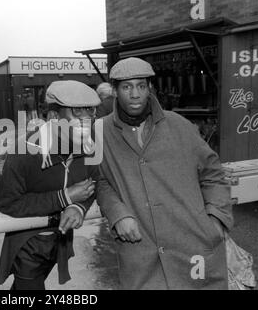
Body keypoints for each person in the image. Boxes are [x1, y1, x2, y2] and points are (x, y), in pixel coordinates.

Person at [97, 57, 234, 290]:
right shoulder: (99, 131)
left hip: (193, 246)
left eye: (141, 86)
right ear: (114, 91)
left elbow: (213, 173)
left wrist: (216, 220)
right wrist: (117, 213)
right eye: (127, 87)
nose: (135, 94)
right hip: (141, 253)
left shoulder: (179, 124)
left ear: (150, 88)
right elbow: (99, 180)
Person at [0, 80, 101, 290]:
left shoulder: (89, 145)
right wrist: (66, 197)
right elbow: (8, 202)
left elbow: (93, 182)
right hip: (26, 243)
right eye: (77, 114)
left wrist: (77, 206)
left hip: (59, 240)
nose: (86, 122)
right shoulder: (23, 151)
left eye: (90, 114)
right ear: (54, 118)